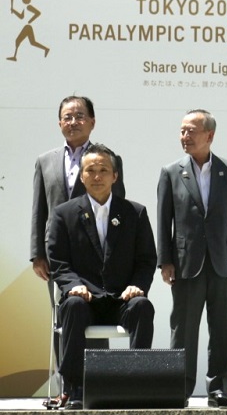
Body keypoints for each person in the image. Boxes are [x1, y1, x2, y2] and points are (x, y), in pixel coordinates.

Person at [46, 143, 156, 410]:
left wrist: (137, 286)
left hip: (121, 300)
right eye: (91, 170)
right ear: (82, 176)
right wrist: (73, 286)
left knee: (143, 306)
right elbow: (58, 261)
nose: (97, 176)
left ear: (115, 176)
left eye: (104, 170)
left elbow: (146, 260)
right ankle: (75, 389)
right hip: (85, 300)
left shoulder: (135, 212)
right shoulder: (64, 214)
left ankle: (135, 384)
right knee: (71, 306)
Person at [157, 109, 227, 406]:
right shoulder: (171, 172)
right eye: (182, 130)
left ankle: (219, 388)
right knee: (182, 328)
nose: (185, 136)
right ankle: (177, 387)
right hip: (185, 264)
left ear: (210, 135)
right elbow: (163, 221)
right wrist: (165, 260)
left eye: (191, 131)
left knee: (221, 329)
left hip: (223, 264)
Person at [31, 95, 126, 282]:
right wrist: (37, 253)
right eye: (67, 117)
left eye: (80, 116)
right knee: (60, 306)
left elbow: (118, 207)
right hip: (55, 250)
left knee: (96, 304)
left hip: (97, 246)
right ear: (60, 123)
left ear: (92, 122)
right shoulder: (45, 161)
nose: (73, 122)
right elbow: (39, 210)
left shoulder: (109, 160)